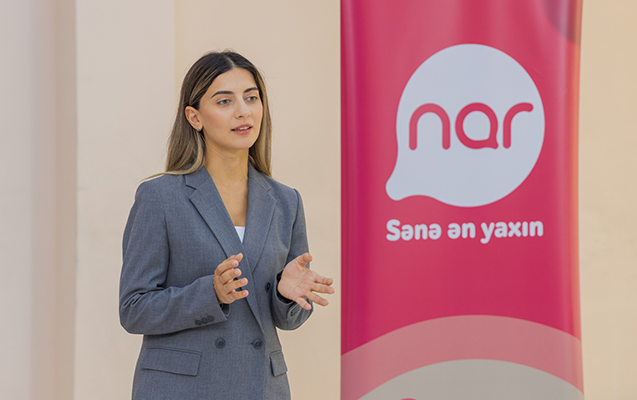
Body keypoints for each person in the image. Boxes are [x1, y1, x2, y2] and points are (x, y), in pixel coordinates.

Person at [119, 50, 334, 400]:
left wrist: (284, 295)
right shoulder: (160, 197)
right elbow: (134, 309)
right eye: (224, 101)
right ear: (194, 117)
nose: (243, 111)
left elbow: (287, 319)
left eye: (251, 98)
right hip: (181, 389)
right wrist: (210, 294)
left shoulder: (286, 201)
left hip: (260, 387)